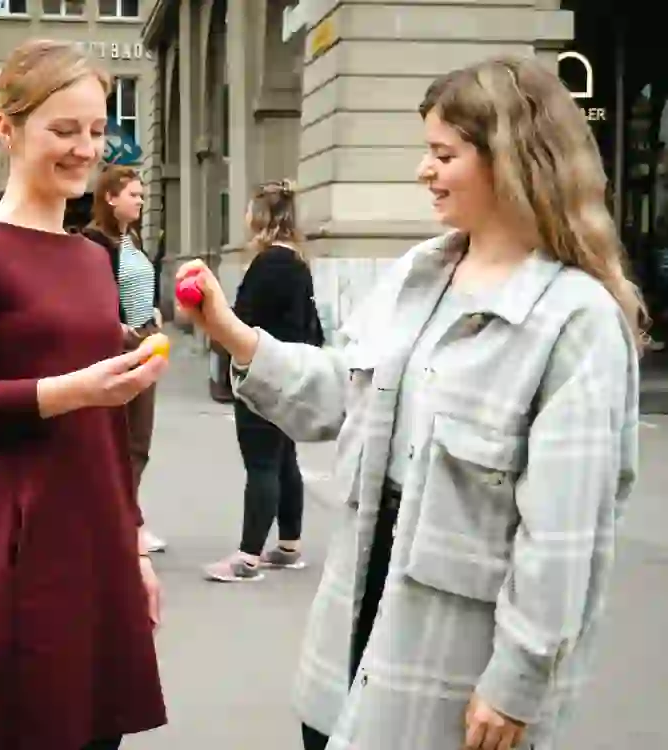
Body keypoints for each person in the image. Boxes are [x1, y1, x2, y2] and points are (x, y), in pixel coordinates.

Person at [177, 56, 642, 750]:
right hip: (351, 645)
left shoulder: (576, 322)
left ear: (511, 161)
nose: (424, 172)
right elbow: (339, 394)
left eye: (443, 154)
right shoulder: (419, 275)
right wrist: (234, 337)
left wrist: (516, 681)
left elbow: (563, 537)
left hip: (455, 670)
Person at [0, 40, 168, 750]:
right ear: (8, 129)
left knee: (91, 732)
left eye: (95, 130)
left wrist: (135, 547)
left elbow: (107, 428)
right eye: (64, 130)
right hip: (3, 544)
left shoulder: (92, 257)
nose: (86, 149)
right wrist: (71, 390)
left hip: (89, 537)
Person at [203, 179, 324, 583]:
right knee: (284, 458)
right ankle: (288, 545)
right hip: (292, 370)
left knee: (262, 463)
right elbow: (313, 327)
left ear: (260, 216)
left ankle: (247, 557)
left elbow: (240, 319)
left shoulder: (268, 263)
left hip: (263, 372)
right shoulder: (297, 261)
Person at [82, 166, 167, 554]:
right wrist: (119, 329)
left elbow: (138, 285)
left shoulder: (130, 238)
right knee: (120, 438)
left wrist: (152, 313)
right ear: (110, 197)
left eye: (142, 195)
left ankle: (126, 516)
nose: (141, 200)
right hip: (118, 347)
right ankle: (121, 524)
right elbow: (89, 297)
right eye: (134, 194)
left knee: (138, 438)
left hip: (145, 340)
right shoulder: (93, 242)